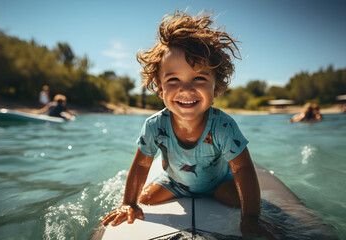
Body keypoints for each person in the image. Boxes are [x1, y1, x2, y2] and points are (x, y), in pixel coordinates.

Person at [102, 10, 279, 239]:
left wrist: (250, 217)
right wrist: (128, 203)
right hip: (174, 183)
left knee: (243, 204)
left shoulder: (223, 126)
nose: (186, 89)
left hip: (218, 184)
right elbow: (142, 166)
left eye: (199, 78)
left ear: (216, 86)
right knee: (144, 200)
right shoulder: (155, 126)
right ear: (159, 86)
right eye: (173, 80)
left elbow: (242, 168)